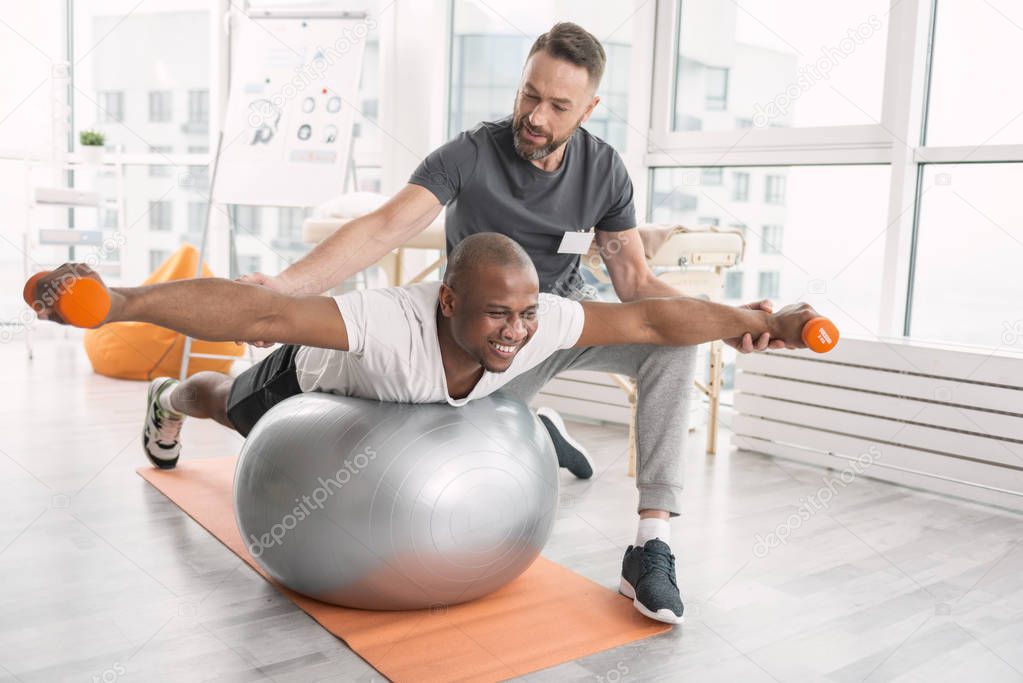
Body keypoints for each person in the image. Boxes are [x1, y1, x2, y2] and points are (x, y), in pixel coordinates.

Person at [237, 21, 783, 622]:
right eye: (529, 94)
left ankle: (651, 543)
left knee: (674, 343)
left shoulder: (605, 171)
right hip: (481, 343)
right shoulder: (469, 154)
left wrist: (722, 320)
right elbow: (384, 226)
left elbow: (638, 287)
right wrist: (286, 288)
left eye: (557, 105)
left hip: (559, 327)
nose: (536, 116)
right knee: (371, 422)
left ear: (590, 108)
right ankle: (534, 422)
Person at [32, 234, 820, 624]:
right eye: (494, 313)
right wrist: (123, 302)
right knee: (220, 397)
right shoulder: (386, 322)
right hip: (309, 387)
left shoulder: (535, 323)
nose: (514, 333)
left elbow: (650, 315)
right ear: (447, 303)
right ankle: (167, 398)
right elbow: (264, 313)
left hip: (404, 423)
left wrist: (763, 319)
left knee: (653, 337)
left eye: (524, 314)